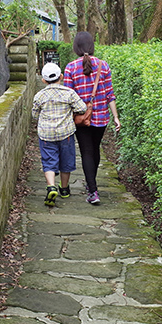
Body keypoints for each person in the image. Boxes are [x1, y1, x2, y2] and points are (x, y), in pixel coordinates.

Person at [63, 31, 121, 205]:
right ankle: (91, 185)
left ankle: (93, 191)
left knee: (86, 151)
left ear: (75, 47)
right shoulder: (103, 65)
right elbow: (110, 94)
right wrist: (116, 117)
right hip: (101, 116)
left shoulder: (70, 68)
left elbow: (68, 97)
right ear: (91, 46)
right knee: (95, 150)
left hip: (81, 118)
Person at [32, 62, 88, 207]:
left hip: (46, 135)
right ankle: (64, 189)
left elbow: (34, 114)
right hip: (66, 134)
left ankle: (51, 186)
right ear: (61, 77)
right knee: (66, 162)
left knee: (49, 162)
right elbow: (82, 108)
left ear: (43, 80)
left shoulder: (40, 95)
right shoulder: (69, 93)